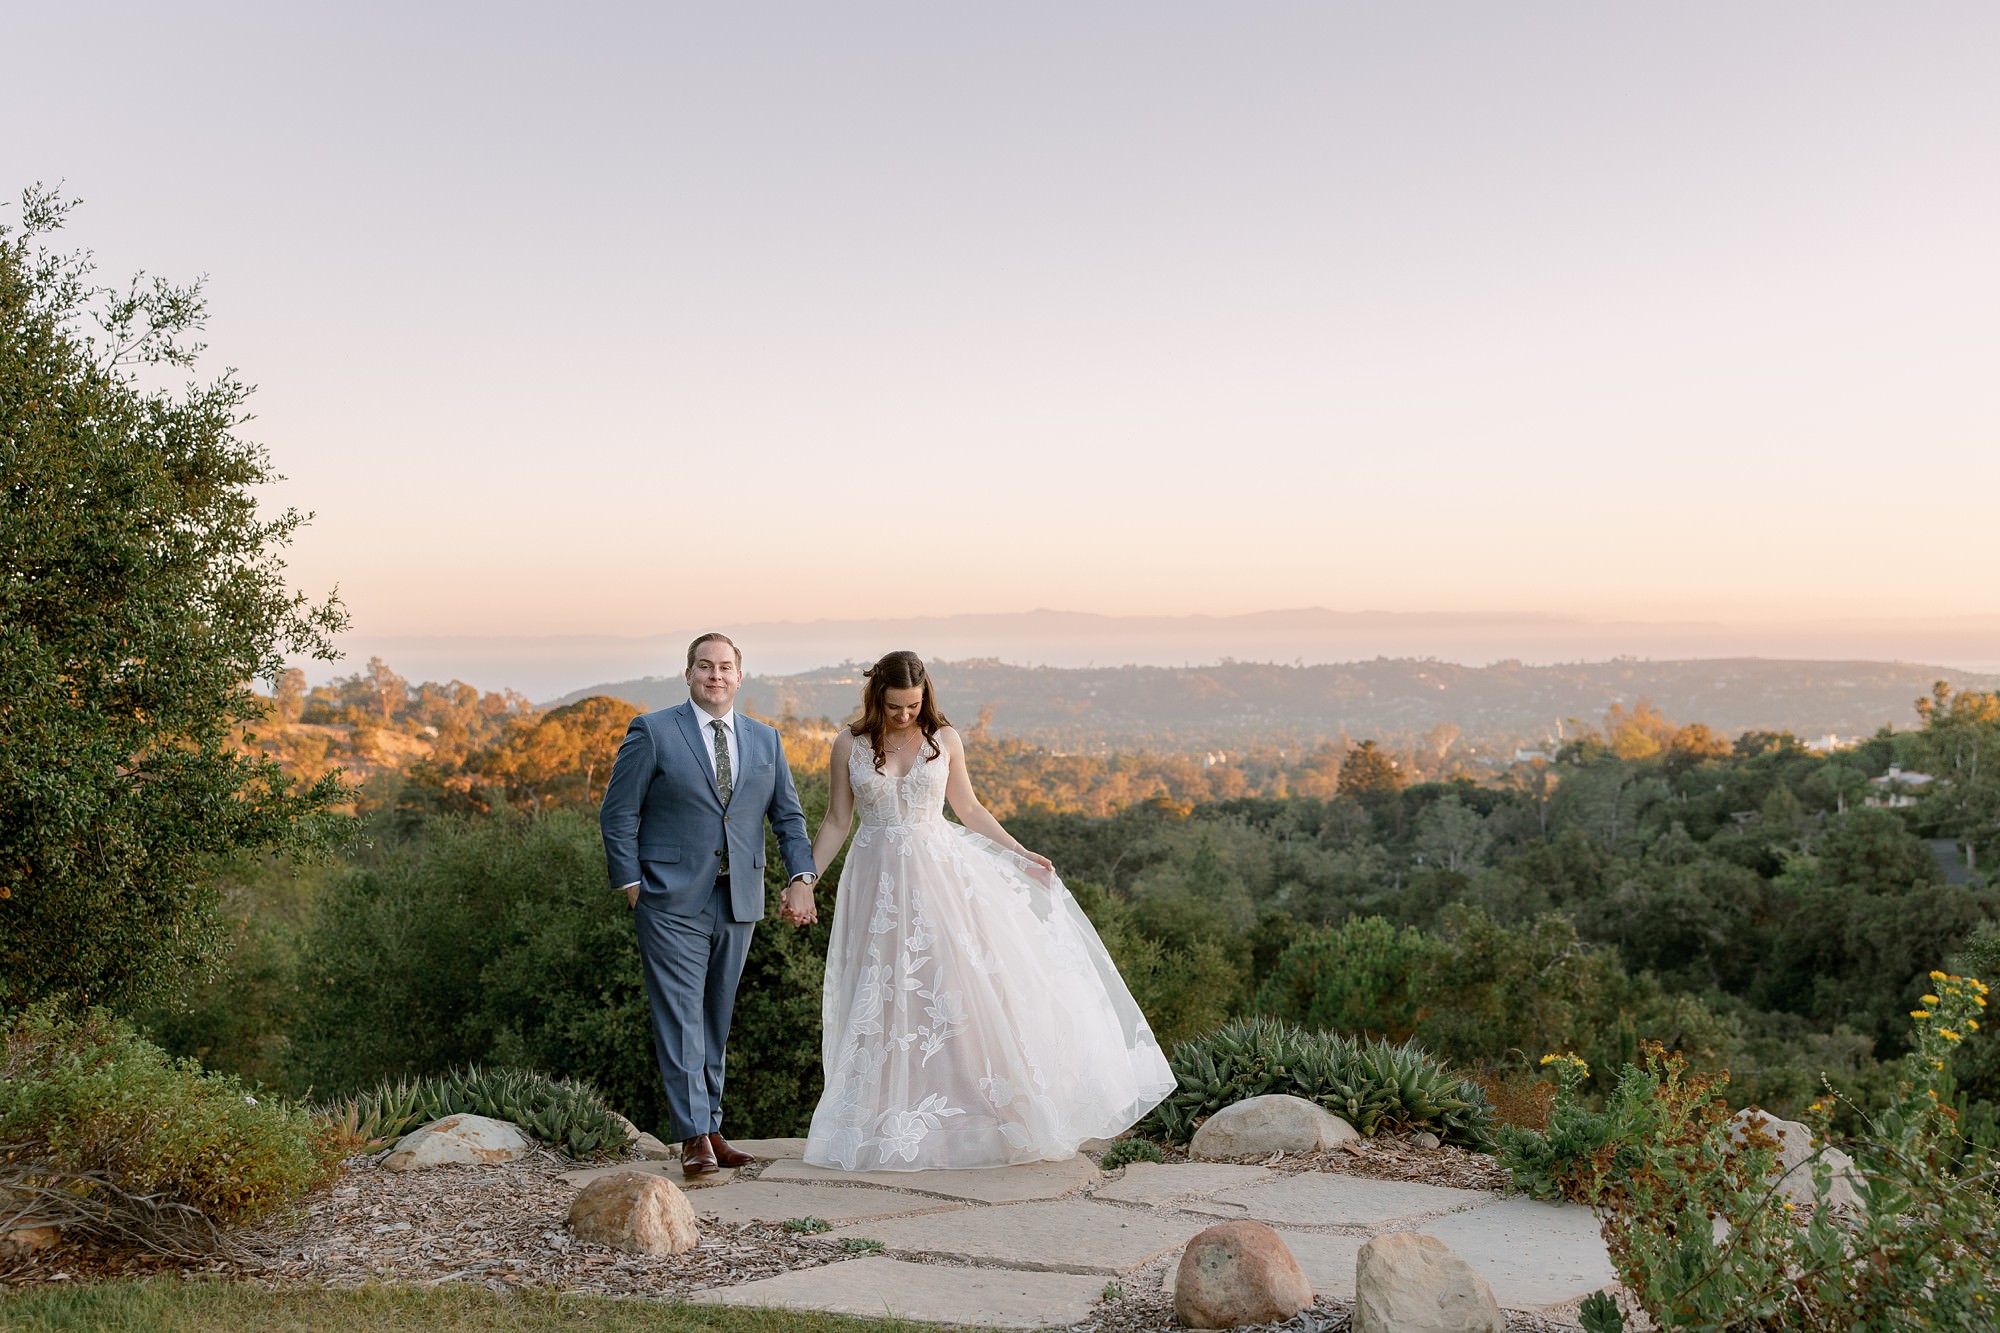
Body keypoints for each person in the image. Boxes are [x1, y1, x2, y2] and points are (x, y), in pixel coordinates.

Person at [783, 651, 1174, 1170]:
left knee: (956, 993)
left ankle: (979, 1113)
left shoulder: (944, 739)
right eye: (895, 706)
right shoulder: (847, 745)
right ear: (876, 697)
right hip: (875, 883)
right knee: (883, 994)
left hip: (941, 879)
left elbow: (968, 808)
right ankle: (882, 1120)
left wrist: (1019, 853)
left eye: (914, 704)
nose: (904, 715)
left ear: (926, 696)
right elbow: (836, 820)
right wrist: (804, 880)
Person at [599, 633, 818, 1176]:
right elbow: (618, 813)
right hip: (669, 899)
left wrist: (801, 876)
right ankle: (692, 1134)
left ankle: (713, 1124)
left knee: (715, 1017)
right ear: (689, 673)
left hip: (738, 899)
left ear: (739, 677)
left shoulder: (766, 741)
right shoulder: (652, 731)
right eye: (704, 666)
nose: (714, 676)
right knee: (680, 1017)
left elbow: (788, 819)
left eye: (724, 667)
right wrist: (630, 882)